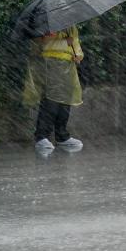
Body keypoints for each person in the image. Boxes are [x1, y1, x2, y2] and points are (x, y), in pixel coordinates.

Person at [22, 25, 84, 156]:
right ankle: (41, 135)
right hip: (50, 63)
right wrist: (58, 40)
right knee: (51, 100)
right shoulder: (46, 23)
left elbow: (75, 43)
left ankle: (62, 135)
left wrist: (78, 55)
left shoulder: (71, 26)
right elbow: (39, 43)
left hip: (68, 65)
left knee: (65, 100)